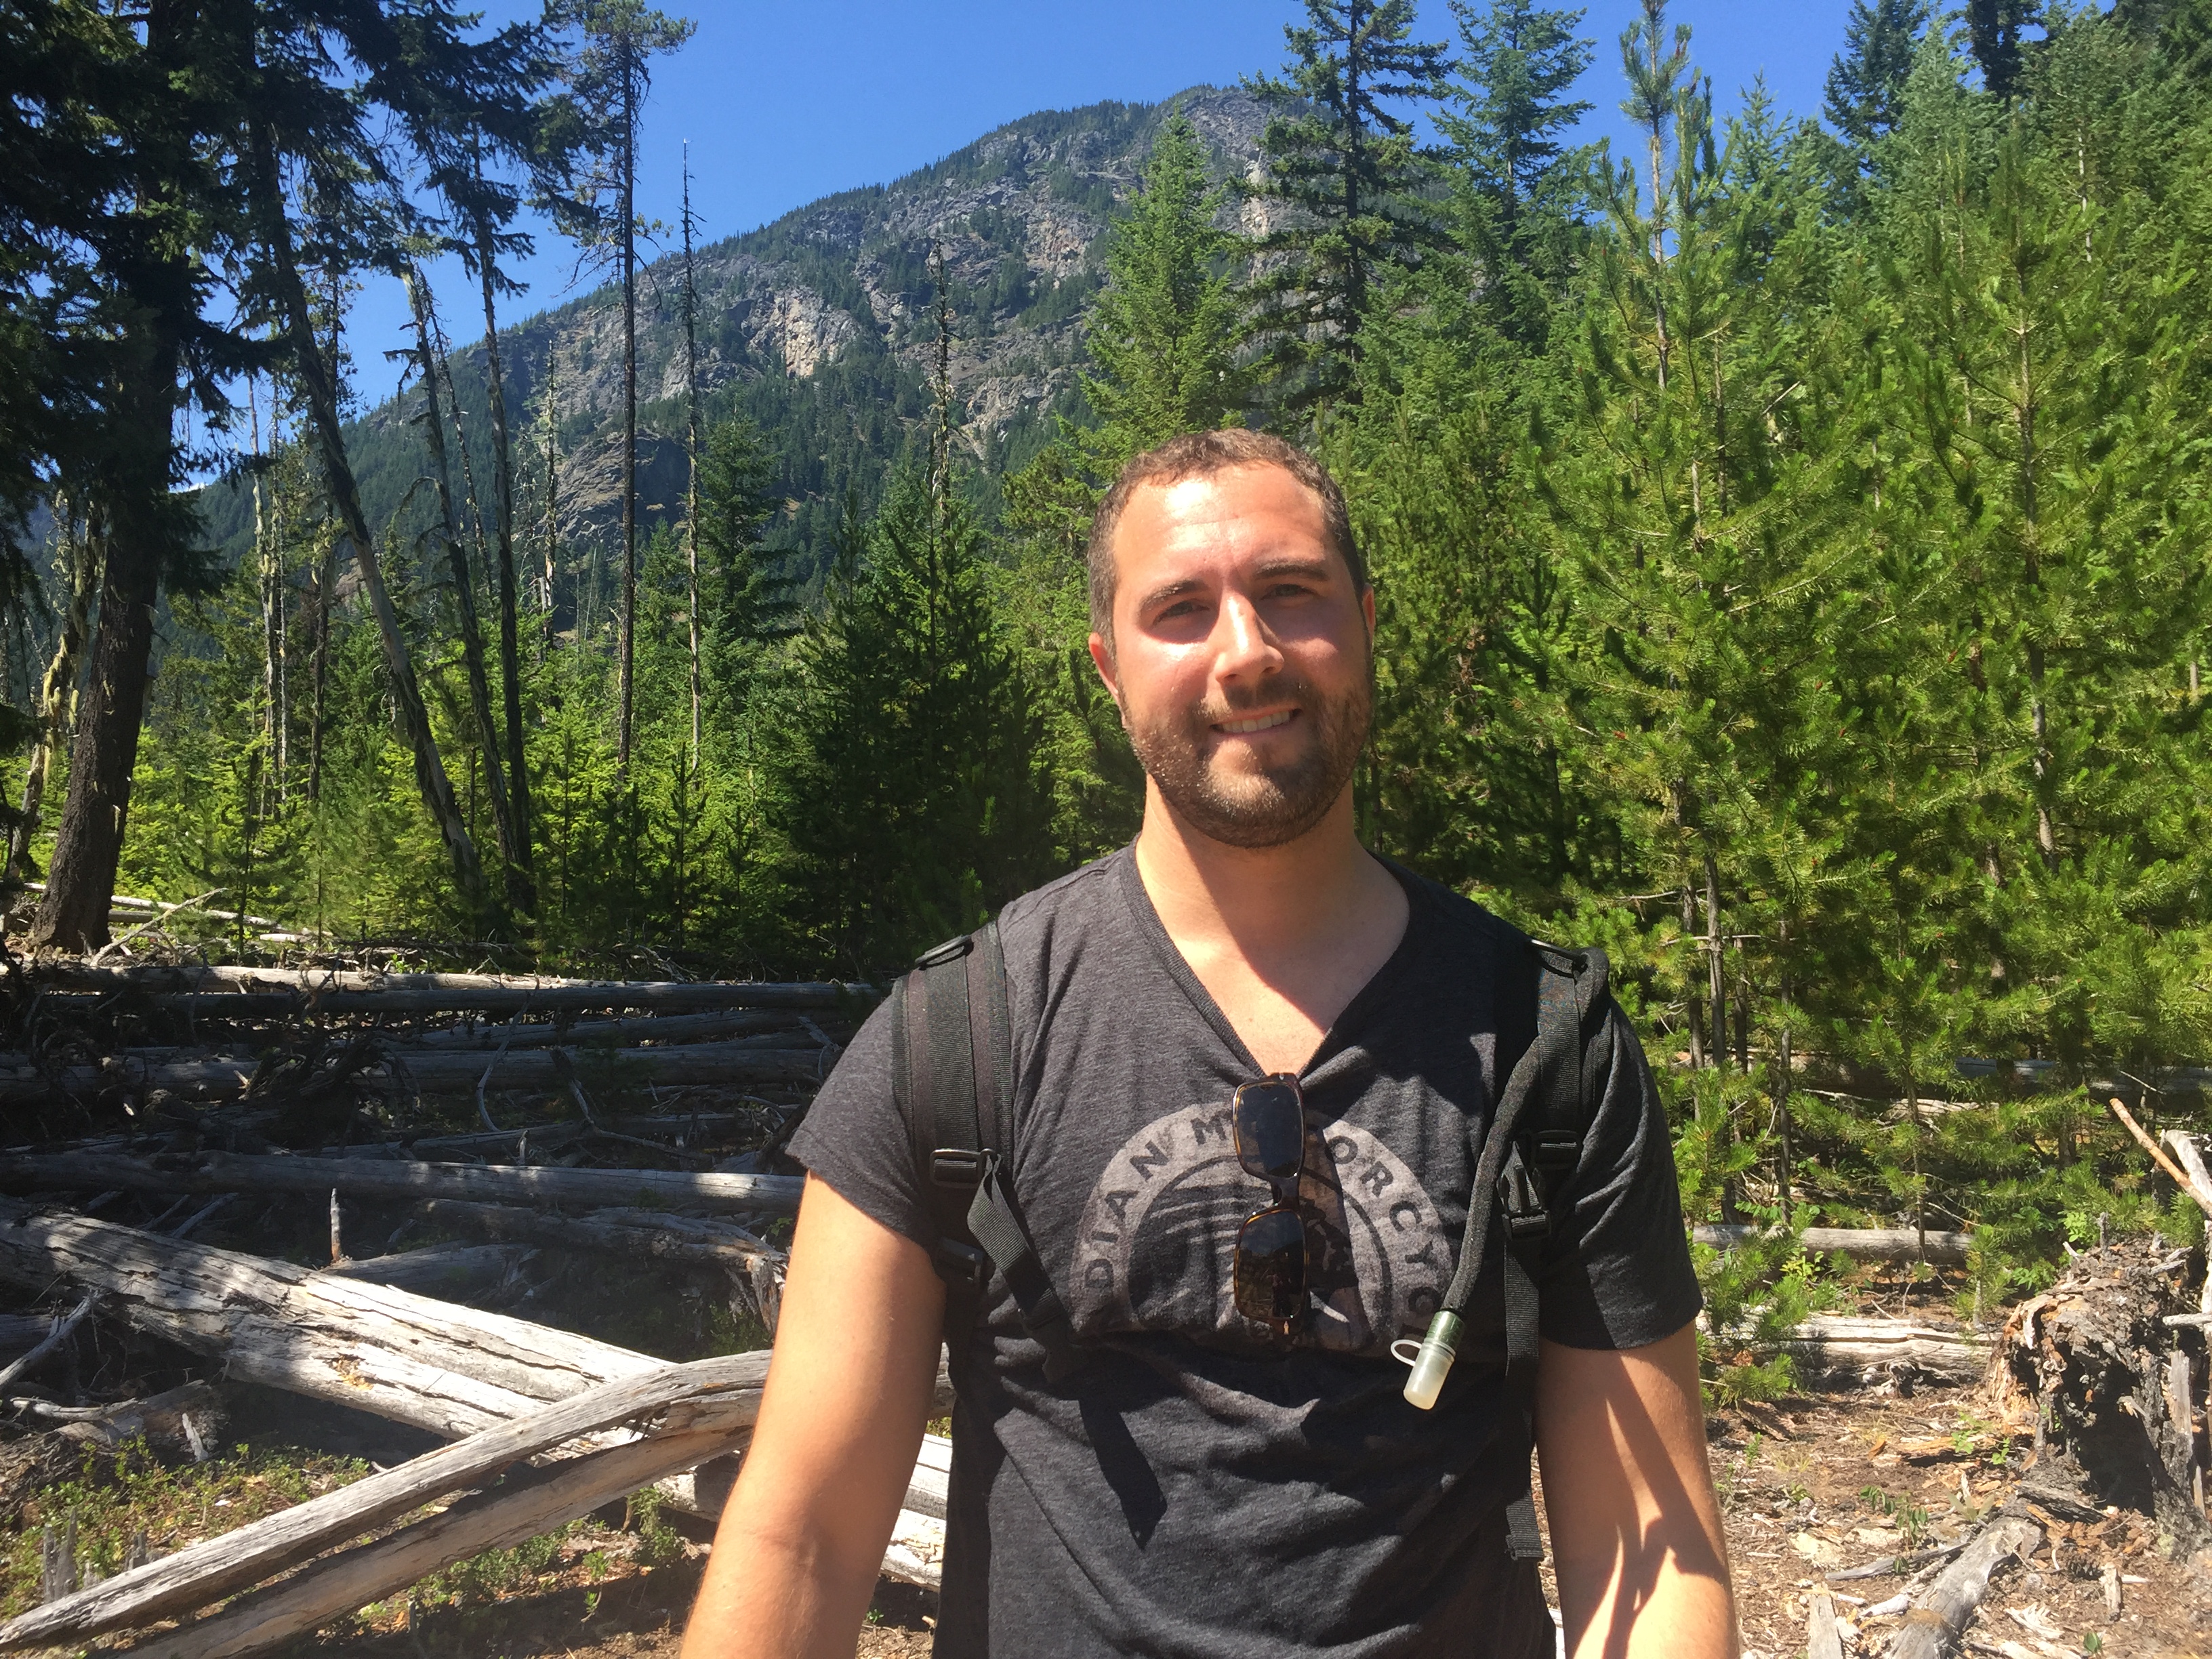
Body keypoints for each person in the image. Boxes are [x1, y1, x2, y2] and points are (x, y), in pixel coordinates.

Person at [681, 430, 1738, 1659]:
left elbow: (1648, 1555)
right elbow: (802, 1535)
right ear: (1109, 668)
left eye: (1291, 591)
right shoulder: (957, 1039)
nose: (1246, 651)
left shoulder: (1548, 1049)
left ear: (1366, 625)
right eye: (1180, 609)